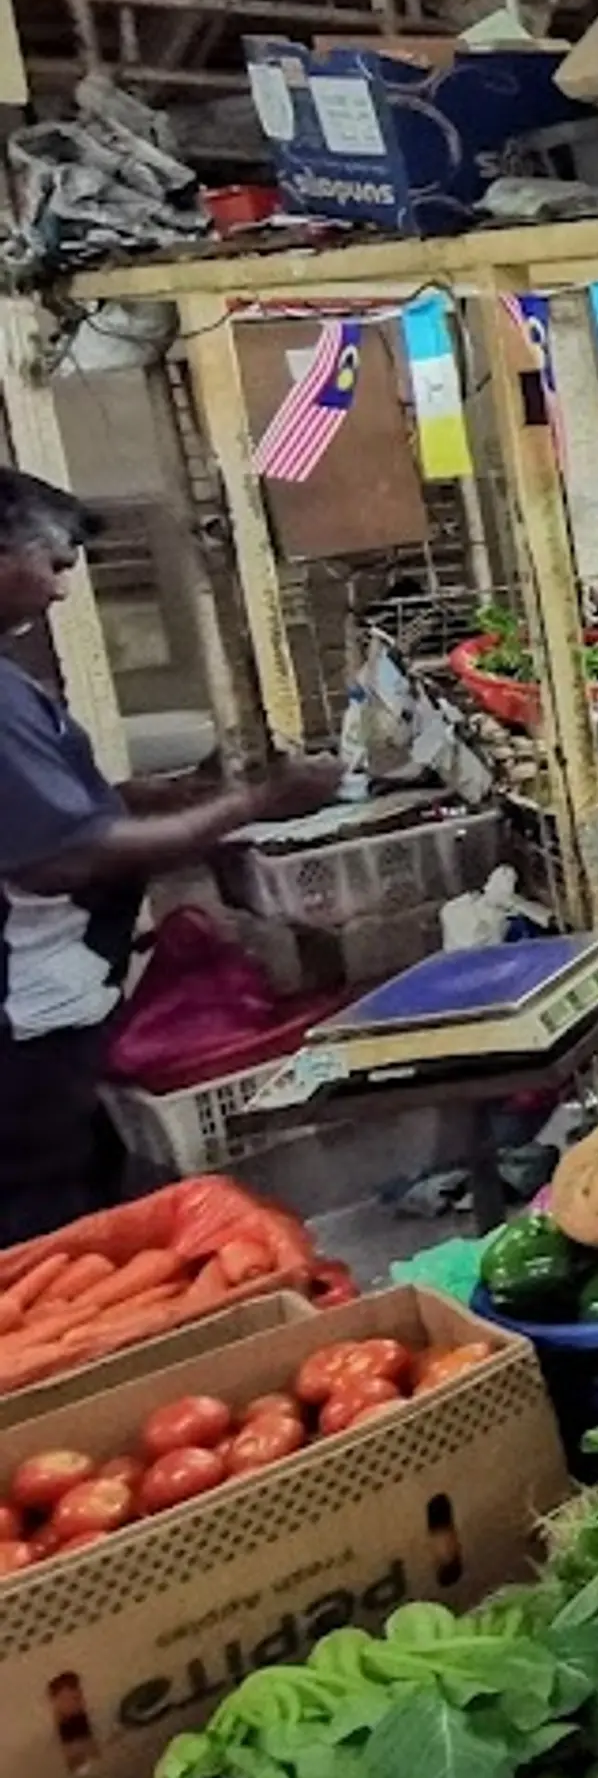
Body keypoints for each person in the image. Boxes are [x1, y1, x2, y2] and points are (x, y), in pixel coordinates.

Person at [0, 474, 341, 1238]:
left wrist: (183, 792)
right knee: (43, 1233)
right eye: (54, 565)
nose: (61, 592)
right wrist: (253, 806)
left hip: (45, 1015)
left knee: (83, 1188)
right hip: (21, 1027)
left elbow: (62, 803)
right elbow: (66, 854)